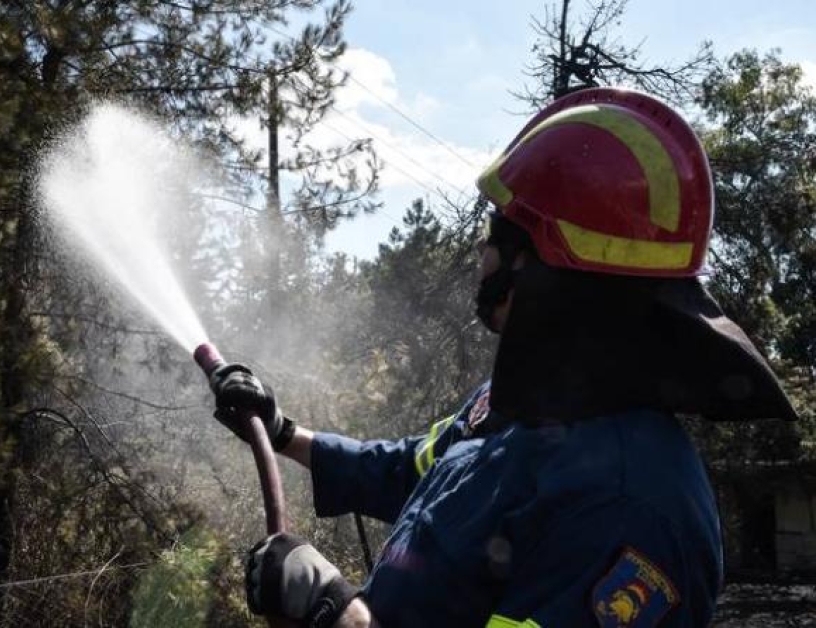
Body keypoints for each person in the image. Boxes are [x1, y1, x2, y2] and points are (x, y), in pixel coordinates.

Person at [210, 87, 800, 628]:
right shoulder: (523, 406)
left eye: (501, 234)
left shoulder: (630, 510)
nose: (483, 251)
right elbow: (412, 469)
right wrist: (282, 431)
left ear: (546, 269)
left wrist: (333, 612)